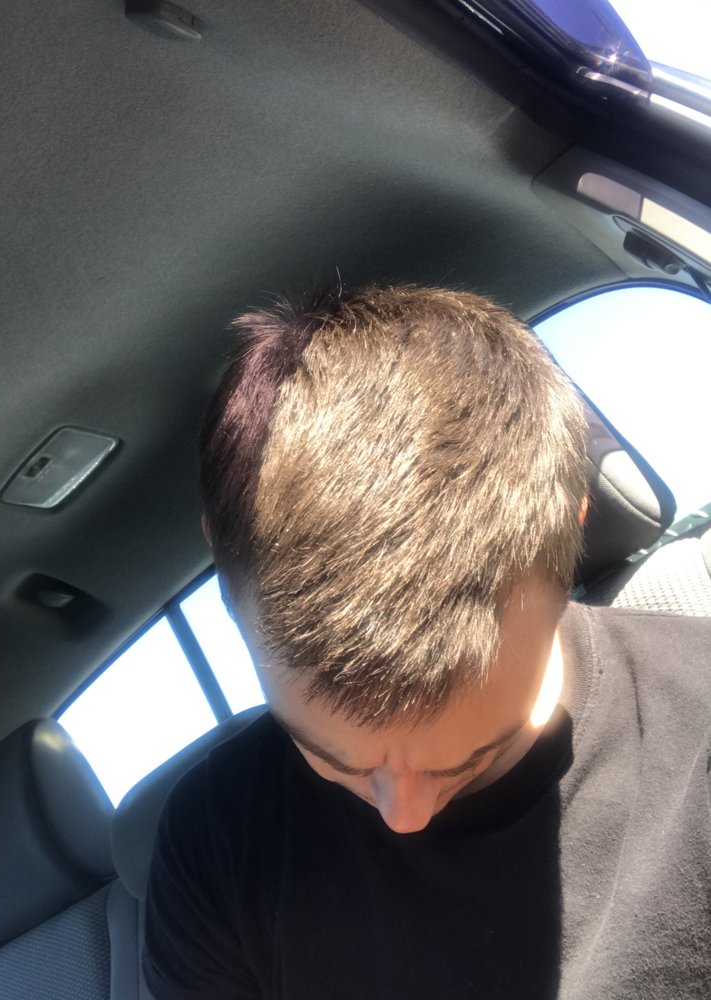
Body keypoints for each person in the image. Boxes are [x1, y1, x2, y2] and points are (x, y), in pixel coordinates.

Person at [143, 285, 711, 999]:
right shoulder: (214, 844)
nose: (404, 818)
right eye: (334, 759)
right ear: (225, 579)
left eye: (472, 756)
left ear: (568, 534)